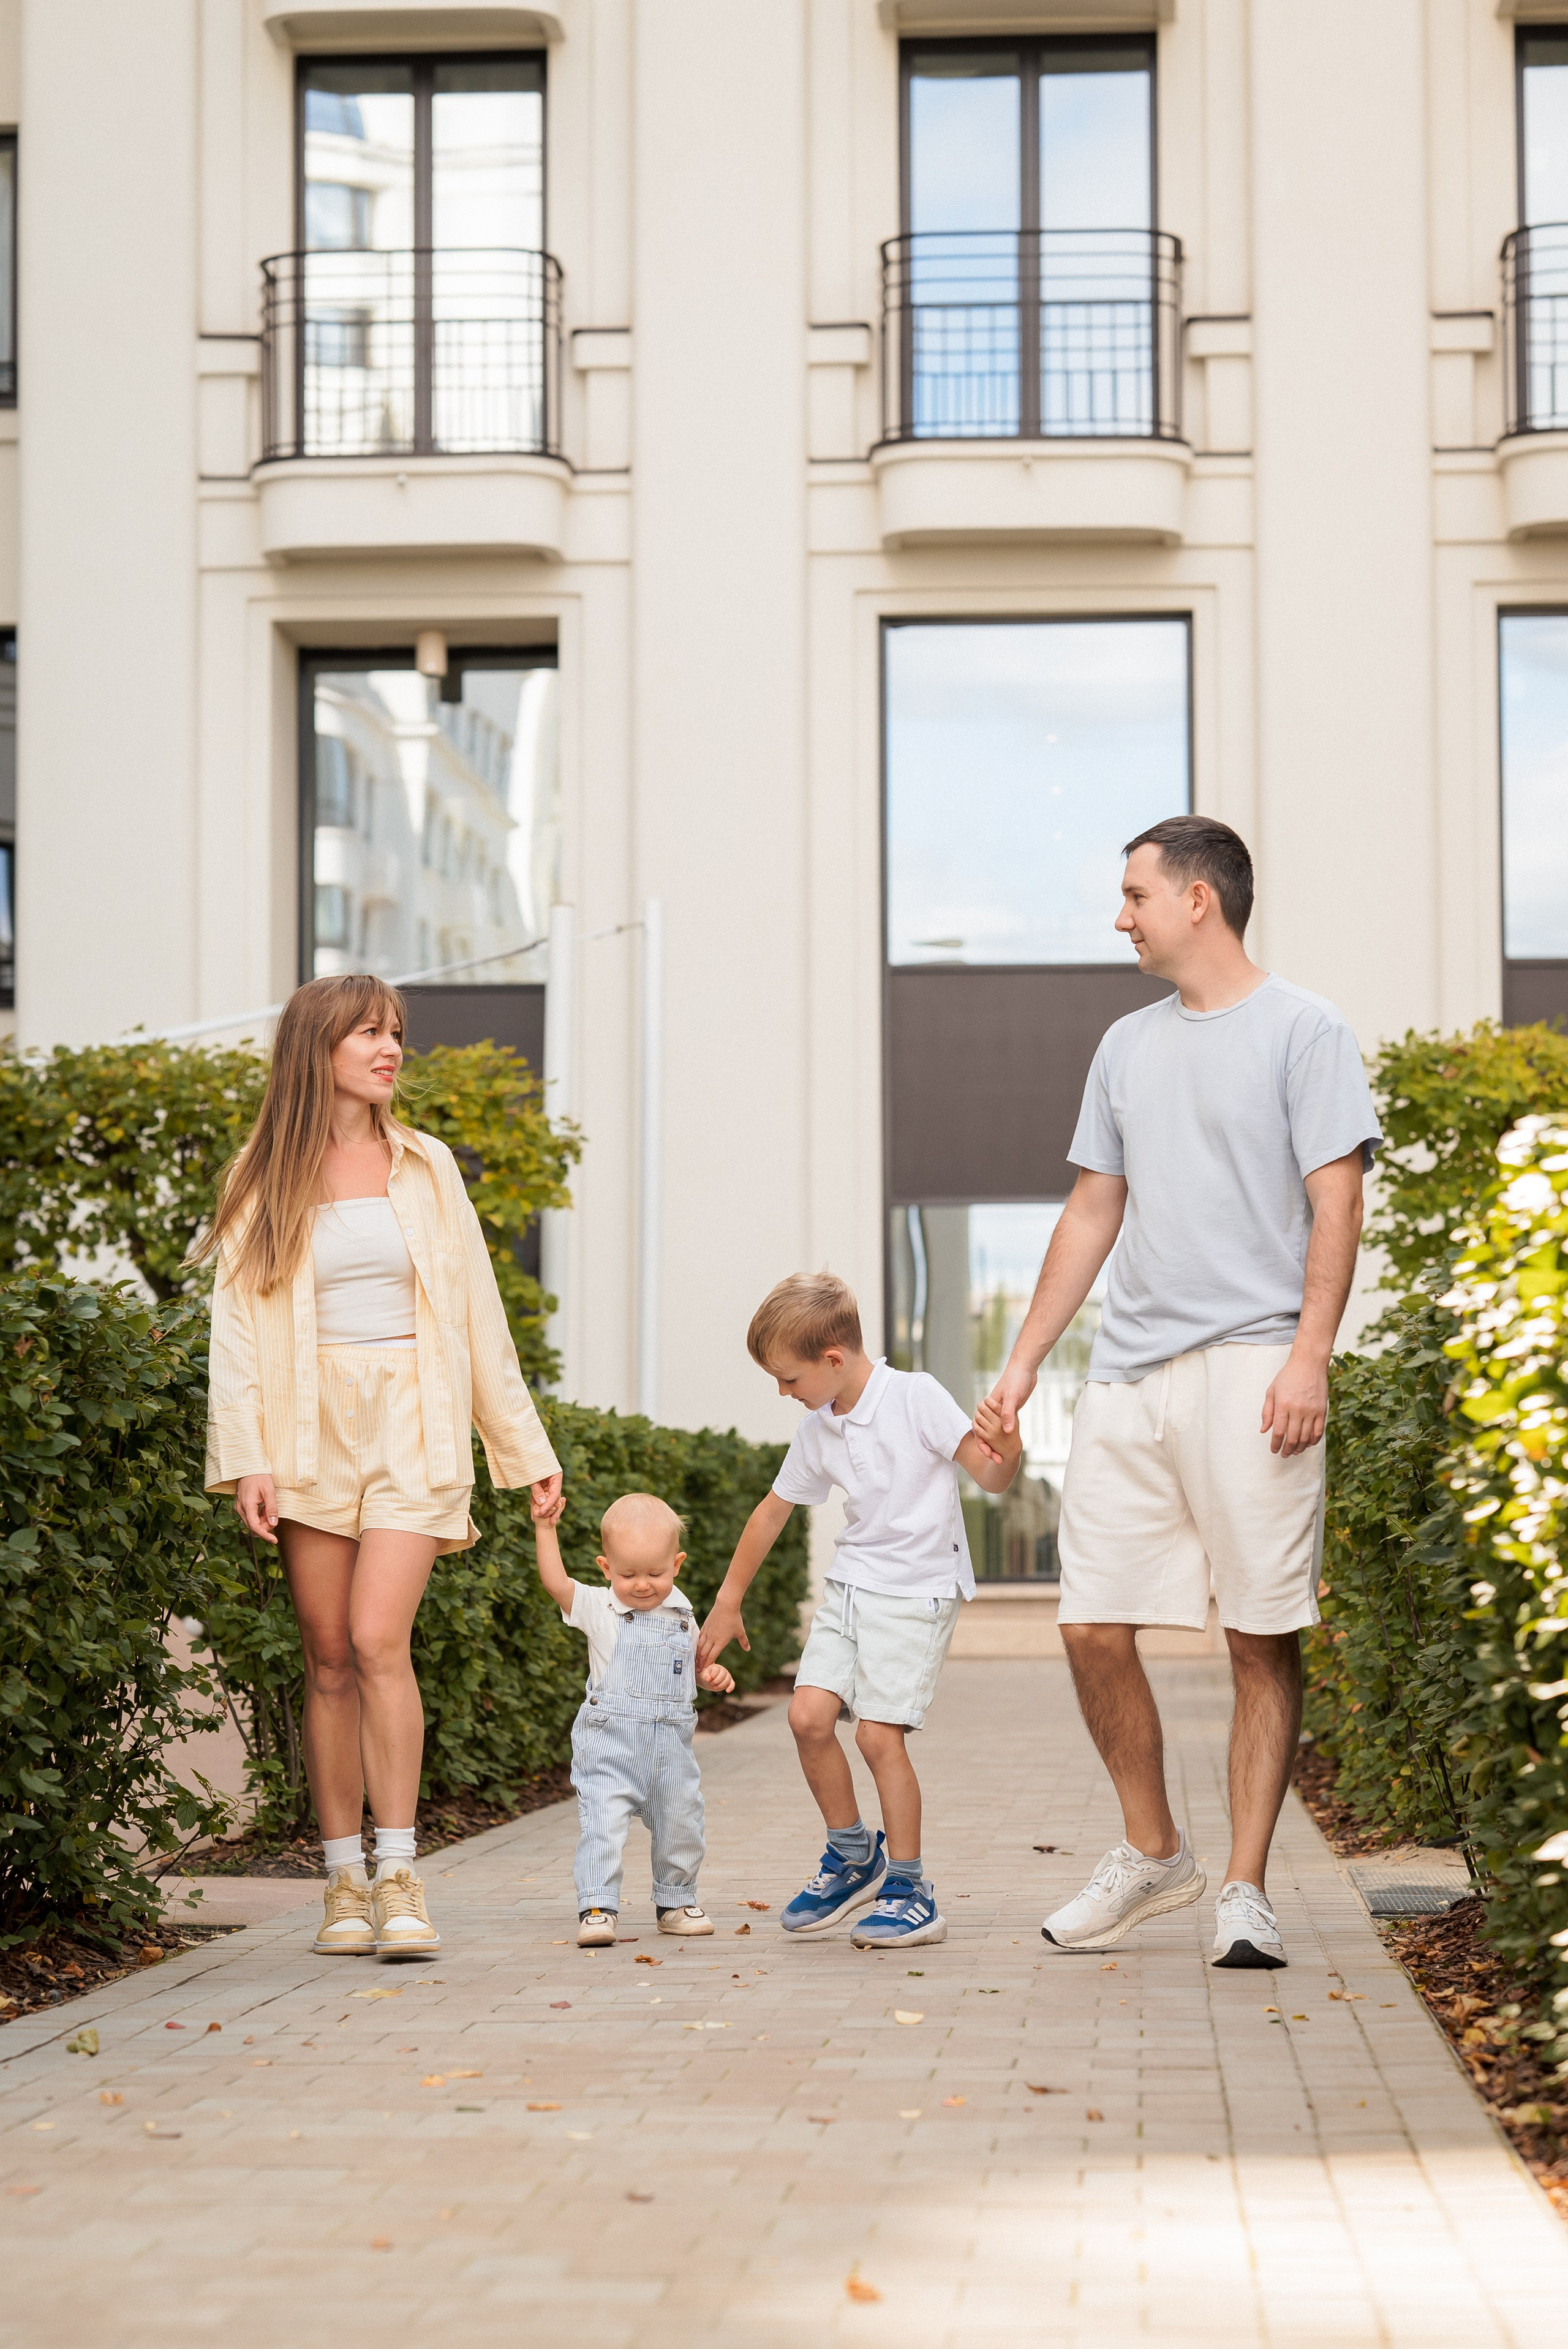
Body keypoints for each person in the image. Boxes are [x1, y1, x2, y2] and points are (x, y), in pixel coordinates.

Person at [985, 816, 1381, 1970]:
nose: (1121, 916)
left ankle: (1247, 1889)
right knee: (1092, 1623)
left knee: (1261, 1635)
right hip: (1128, 1375)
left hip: (1258, 1363)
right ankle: (1155, 1852)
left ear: (1198, 899)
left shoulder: (1307, 1031)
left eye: (1134, 894)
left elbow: (1336, 1199)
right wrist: (1019, 1369)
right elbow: (1092, 1211)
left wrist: (1310, 1354)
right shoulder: (1124, 1045)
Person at [199, 973, 563, 1962]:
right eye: (369, 1032)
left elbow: (479, 1313)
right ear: (318, 1048)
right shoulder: (259, 1175)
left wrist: (523, 1448)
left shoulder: (426, 1165)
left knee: (374, 1639)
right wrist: (251, 1460)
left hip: (416, 1420)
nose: (390, 1047)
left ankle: (401, 1873)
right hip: (308, 1426)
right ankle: (343, 1884)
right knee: (326, 1658)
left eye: (395, 1031)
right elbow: (235, 1332)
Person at [698, 1273, 1022, 1950]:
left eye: (788, 1379)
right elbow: (771, 1511)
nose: (783, 1393)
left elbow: (989, 1474)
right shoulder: (820, 1427)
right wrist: (728, 1602)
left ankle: (909, 1889)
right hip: (851, 1586)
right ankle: (852, 1856)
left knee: (877, 1737)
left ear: (833, 1360)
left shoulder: (916, 1397)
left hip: (916, 1591)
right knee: (808, 1717)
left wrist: (1009, 1446)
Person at [533, 1490, 736, 1948]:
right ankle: (598, 1905)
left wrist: (712, 1675)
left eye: (655, 1573)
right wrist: (546, 1529)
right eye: (627, 1574)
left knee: (683, 1823)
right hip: (611, 1748)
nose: (642, 1584)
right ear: (606, 1568)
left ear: (677, 1564)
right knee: (602, 1825)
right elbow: (556, 1582)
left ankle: (676, 1900)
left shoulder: (685, 1618)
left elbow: (695, 1669)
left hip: (672, 1752)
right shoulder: (600, 1609)